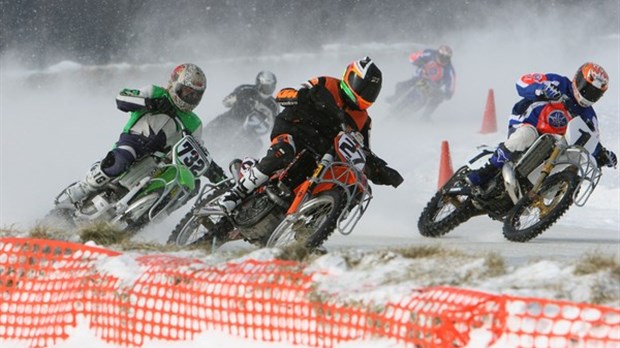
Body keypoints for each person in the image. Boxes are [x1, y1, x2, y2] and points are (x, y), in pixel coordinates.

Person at [217, 56, 404, 213]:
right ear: (351, 77)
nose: (366, 93)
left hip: (321, 152)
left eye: (371, 91)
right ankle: (236, 192)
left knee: (353, 187)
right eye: (363, 87)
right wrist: (303, 97)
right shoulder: (326, 83)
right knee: (283, 152)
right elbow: (284, 94)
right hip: (294, 129)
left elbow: (361, 151)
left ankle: (310, 228)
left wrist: (380, 170)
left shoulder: (364, 119)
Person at [64, 63, 225, 204]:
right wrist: (150, 103)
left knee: (189, 185)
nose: (191, 97)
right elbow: (122, 98)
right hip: (134, 141)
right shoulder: (155, 92)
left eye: (196, 94)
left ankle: (148, 219)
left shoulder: (195, 123)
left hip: (159, 161)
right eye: (187, 91)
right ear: (175, 84)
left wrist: (217, 175)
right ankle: (83, 188)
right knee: (122, 159)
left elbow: (196, 151)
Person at [467, 62, 617, 188]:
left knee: (571, 159)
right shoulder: (558, 82)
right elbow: (522, 82)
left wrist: (603, 156)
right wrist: (541, 90)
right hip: (528, 122)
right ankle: (486, 172)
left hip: (553, 144)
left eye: (594, 93)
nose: (587, 94)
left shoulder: (589, 115)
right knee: (526, 135)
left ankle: (539, 199)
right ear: (577, 79)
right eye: (586, 87)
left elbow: (591, 140)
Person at [204, 71, 279, 158]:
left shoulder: (273, 105)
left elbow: (273, 127)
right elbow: (226, 102)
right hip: (229, 120)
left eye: (270, 87)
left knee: (257, 145)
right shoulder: (245, 90)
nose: (267, 91)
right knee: (208, 134)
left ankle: (240, 165)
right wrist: (241, 100)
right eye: (265, 87)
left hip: (249, 134)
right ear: (258, 84)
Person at [386, 45, 455, 117]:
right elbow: (412, 57)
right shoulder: (429, 54)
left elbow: (451, 87)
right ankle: (395, 98)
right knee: (400, 85)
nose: (443, 60)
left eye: (446, 58)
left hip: (430, 86)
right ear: (437, 54)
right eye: (441, 56)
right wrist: (418, 62)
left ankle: (424, 116)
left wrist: (446, 94)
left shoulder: (449, 70)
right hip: (418, 77)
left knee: (423, 100)